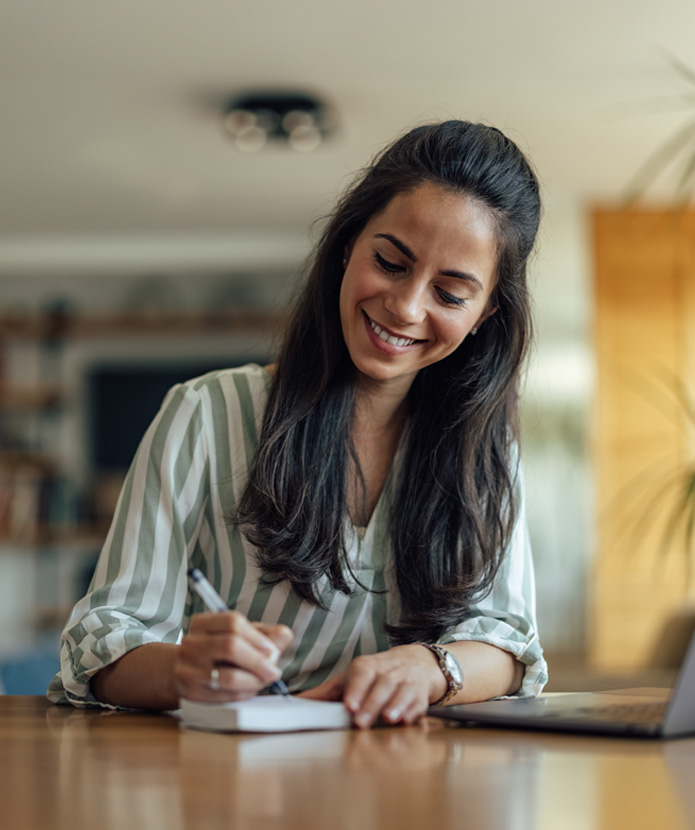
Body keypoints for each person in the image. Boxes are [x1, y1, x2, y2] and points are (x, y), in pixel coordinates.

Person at [48, 120, 548, 727]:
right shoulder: (204, 414)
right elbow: (99, 640)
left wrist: (432, 668)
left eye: (449, 294)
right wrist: (184, 670)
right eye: (390, 262)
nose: (407, 307)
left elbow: (511, 644)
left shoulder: (485, 451)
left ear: (485, 313)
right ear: (348, 245)